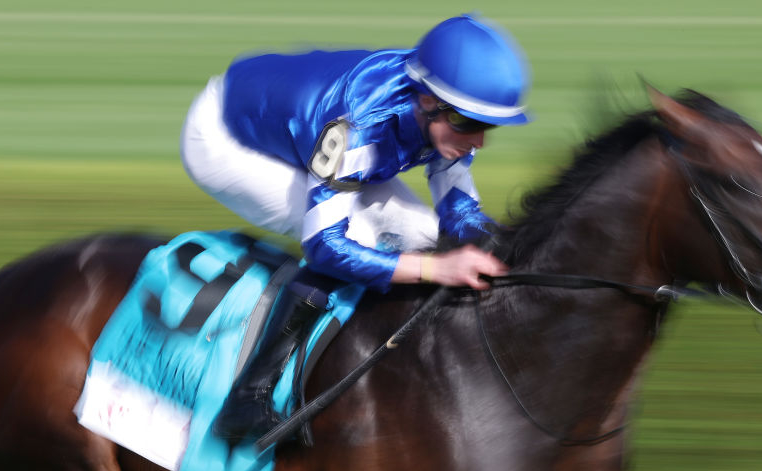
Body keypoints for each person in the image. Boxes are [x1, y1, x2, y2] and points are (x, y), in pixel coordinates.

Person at [180, 14, 531, 441]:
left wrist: (497, 248)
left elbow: (458, 213)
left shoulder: (442, 109)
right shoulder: (359, 129)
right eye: (469, 124)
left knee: (421, 236)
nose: (479, 141)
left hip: (299, 123)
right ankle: (248, 397)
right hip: (227, 139)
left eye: (487, 125)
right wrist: (437, 270)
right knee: (370, 240)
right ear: (426, 101)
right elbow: (326, 246)